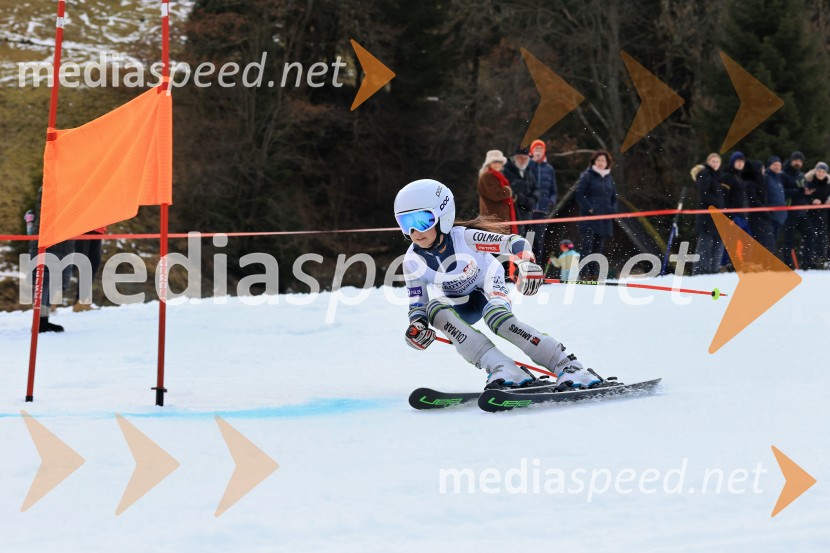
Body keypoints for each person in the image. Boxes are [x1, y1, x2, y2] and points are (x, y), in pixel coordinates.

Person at [395, 179, 603, 390]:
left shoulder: (464, 237)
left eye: (422, 221)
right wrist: (417, 327)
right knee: (434, 311)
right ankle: (502, 367)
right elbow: (418, 304)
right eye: (405, 222)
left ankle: (567, 365)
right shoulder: (412, 261)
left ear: (443, 216)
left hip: (488, 285)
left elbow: (513, 242)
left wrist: (526, 262)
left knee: (498, 318)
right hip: (461, 302)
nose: (414, 231)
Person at [574, 150, 617, 278]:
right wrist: (589, 208)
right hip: (590, 218)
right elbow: (579, 194)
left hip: (604, 219)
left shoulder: (609, 178)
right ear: (594, 162)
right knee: (586, 246)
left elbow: (614, 198)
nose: (600, 163)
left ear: (607, 163)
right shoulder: (587, 175)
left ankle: (594, 274)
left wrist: (612, 210)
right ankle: (583, 274)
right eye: (598, 160)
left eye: (603, 160)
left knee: (598, 248)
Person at [780, 151, 815, 269]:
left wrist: (807, 193)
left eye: (800, 161)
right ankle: (788, 265)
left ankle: (807, 263)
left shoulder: (800, 175)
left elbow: (802, 192)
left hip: (801, 212)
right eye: (795, 160)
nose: (797, 162)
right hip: (789, 211)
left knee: (811, 235)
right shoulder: (783, 174)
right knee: (789, 240)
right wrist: (798, 191)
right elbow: (782, 192)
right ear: (791, 161)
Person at [691, 153, 725, 274]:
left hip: (716, 216)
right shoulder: (705, 173)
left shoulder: (717, 176)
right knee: (705, 243)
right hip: (707, 215)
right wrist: (717, 204)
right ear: (708, 162)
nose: (715, 164)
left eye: (717, 162)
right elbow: (703, 193)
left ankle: (713, 269)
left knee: (717, 242)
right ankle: (700, 270)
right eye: (713, 161)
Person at [719, 152, 751, 269]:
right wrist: (728, 215)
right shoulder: (727, 176)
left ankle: (744, 264)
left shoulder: (739, 177)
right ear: (733, 162)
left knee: (747, 240)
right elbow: (724, 197)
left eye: (742, 161)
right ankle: (723, 264)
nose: (740, 163)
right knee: (730, 241)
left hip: (741, 215)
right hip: (732, 214)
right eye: (738, 161)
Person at [528, 139, 557, 260]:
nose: (538, 151)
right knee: (527, 238)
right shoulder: (528, 165)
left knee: (539, 240)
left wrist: (551, 201)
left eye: (541, 148)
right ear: (532, 151)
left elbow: (553, 190)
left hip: (542, 210)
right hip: (528, 209)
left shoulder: (549, 169)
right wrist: (533, 162)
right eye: (536, 148)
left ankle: (538, 264)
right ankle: (524, 264)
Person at [476, 150, 517, 234]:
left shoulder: (499, 176)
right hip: (492, 221)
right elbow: (495, 195)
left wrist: (511, 196)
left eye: (500, 162)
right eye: (495, 162)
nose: (498, 164)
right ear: (489, 163)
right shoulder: (486, 176)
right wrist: (508, 190)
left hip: (499, 220)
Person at [502, 147, 540, 236]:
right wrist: (521, 199)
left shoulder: (528, 172)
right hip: (514, 213)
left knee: (530, 238)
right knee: (518, 238)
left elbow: (536, 188)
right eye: (520, 158)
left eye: (525, 158)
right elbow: (507, 191)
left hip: (528, 213)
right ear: (514, 158)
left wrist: (534, 199)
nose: (523, 161)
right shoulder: (506, 171)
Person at [73, 227, 106, 311]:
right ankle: (50, 301)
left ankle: (82, 301)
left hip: (98, 228)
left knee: (93, 264)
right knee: (83, 263)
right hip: (82, 226)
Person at [804, 161, 830, 265]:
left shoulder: (828, 184)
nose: (821, 173)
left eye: (823, 171)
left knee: (823, 236)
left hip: (825, 214)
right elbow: (804, 196)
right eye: (819, 171)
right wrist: (812, 200)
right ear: (815, 171)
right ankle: (813, 260)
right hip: (812, 214)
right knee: (814, 235)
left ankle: (824, 259)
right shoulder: (809, 182)